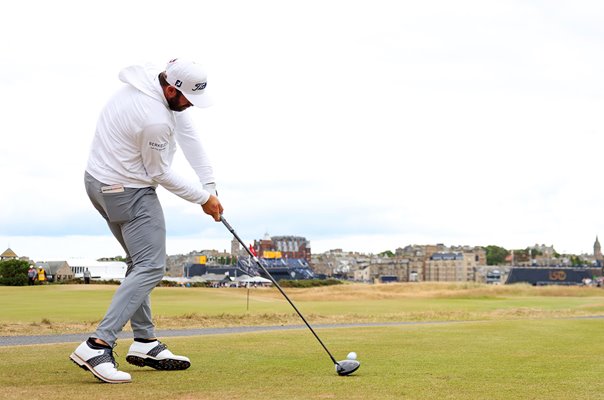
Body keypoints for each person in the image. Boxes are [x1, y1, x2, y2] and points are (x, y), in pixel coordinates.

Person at [70, 58, 224, 384]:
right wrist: (204, 199)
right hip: (129, 191)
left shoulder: (150, 85)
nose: (190, 107)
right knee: (152, 266)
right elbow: (159, 172)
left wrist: (208, 182)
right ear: (171, 89)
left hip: (97, 183)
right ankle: (97, 344)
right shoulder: (154, 119)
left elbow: (188, 133)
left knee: (139, 262)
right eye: (188, 100)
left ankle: (144, 342)